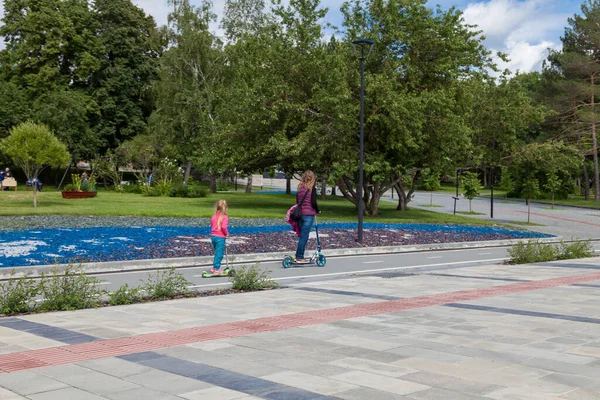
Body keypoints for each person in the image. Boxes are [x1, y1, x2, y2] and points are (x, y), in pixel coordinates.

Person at [295, 170, 320, 263]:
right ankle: (299, 256)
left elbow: (297, 201)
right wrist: (317, 210)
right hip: (308, 215)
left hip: (300, 214)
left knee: (302, 236)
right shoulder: (312, 189)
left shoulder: (300, 188)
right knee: (304, 236)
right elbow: (313, 202)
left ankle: (299, 255)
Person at [210, 199, 229, 274]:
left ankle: (215, 267)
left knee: (216, 253)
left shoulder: (213, 216)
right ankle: (216, 269)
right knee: (220, 254)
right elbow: (224, 227)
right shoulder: (224, 217)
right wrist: (226, 233)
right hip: (220, 237)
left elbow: (212, 225)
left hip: (213, 236)